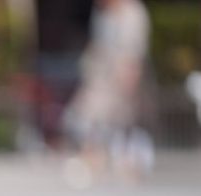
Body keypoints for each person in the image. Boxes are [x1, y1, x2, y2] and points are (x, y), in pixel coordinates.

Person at [62, 0, 153, 186]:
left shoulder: (133, 13)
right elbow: (97, 48)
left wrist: (129, 80)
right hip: (101, 78)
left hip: (122, 77)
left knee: (120, 124)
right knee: (89, 118)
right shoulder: (102, 14)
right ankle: (93, 160)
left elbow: (134, 52)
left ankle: (123, 164)